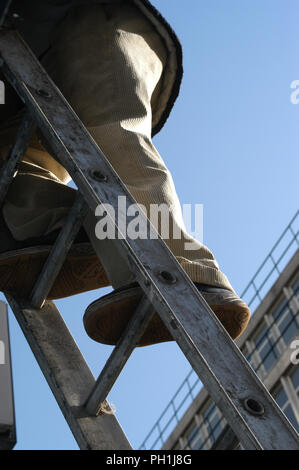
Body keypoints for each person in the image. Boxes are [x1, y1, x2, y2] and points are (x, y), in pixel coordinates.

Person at [0, 0, 250, 346]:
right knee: (12, 163)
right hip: (19, 77)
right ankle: (54, 229)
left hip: (84, 20)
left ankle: (186, 272)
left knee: (106, 137)